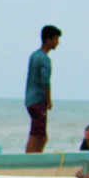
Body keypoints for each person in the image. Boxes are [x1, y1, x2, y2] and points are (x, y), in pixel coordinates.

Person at [24, 24, 60, 153]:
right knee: (38, 135)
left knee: (40, 134)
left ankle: (35, 155)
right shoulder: (45, 59)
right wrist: (49, 100)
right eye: (56, 39)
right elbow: (45, 82)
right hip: (38, 100)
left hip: (30, 99)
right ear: (48, 40)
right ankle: (31, 158)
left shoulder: (34, 55)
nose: (57, 42)